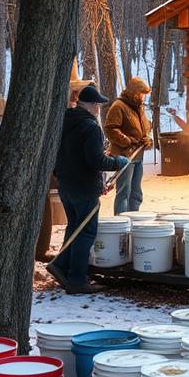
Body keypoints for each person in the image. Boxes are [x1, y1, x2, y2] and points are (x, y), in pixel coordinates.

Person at [47, 84, 128, 294]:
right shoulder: (90, 127)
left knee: (75, 227)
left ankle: (61, 265)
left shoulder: (63, 122)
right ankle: (77, 279)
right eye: (98, 105)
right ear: (91, 105)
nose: (99, 108)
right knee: (86, 232)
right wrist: (118, 162)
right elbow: (96, 160)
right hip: (83, 188)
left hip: (66, 185)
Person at [35, 78, 94, 262]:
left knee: (64, 219)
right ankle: (47, 254)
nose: (75, 98)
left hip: (59, 171)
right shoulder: (61, 115)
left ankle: (54, 257)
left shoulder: (67, 115)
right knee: (76, 224)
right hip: (56, 170)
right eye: (75, 93)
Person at [105, 77, 153, 214]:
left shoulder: (139, 108)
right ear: (134, 93)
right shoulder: (118, 106)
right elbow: (110, 128)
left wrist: (147, 140)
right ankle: (122, 220)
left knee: (136, 193)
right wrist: (126, 141)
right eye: (141, 94)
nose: (142, 97)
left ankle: (134, 218)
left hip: (138, 155)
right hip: (124, 156)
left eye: (143, 94)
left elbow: (145, 128)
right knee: (124, 192)